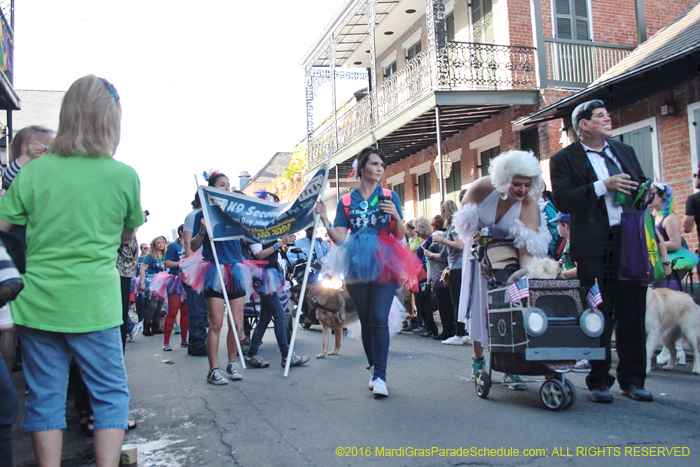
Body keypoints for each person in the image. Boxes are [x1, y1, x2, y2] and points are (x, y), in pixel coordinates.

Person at [0, 75, 143, 466]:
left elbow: (3, 224)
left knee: (44, 395)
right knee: (110, 393)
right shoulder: (123, 175)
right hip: (95, 303)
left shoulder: (34, 173)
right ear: (110, 120)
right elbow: (126, 233)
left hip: (39, 301)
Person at [549, 99, 672, 403]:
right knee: (598, 310)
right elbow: (563, 200)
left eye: (608, 114)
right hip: (594, 244)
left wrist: (644, 191)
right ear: (583, 126)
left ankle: (633, 380)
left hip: (629, 238)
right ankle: (599, 380)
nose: (607, 119)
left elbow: (641, 183)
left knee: (633, 311)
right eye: (599, 116)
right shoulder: (564, 159)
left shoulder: (623, 150)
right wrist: (603, 185)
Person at [315, 146, 422, 398]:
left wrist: (396, 215)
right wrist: (325, 220)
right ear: (362, 167)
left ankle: (381, 376)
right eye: (374, 164)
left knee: (378, 317)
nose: (379, 169)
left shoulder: (389, 196)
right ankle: (374, 369)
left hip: (386, 262)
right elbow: (340, 238)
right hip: (355, 265)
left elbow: (398, 235)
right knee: (365, 318)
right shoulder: (346, 201)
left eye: (382, 165)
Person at [454, 150, 550, 389]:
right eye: (517, 184)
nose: (522, 190)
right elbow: (464, 220)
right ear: (505, 179)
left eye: (528, 185)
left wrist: (524, 279)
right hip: (479, 257)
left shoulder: (529, 207)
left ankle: (510, 364)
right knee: (479, 308)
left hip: (508, 263)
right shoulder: (482, 188)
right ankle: (478, 360)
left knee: (510, 309)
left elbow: (526, 252)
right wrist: (475, 235)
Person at [182, 172, 255, 385]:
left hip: (236, 269)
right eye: (221, 185)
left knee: (236, 322)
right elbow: (193, 246)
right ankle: (213, 369)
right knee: (215, 322)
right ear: (212, 188)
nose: (226, 188)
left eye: (228, 185)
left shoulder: (235, 212)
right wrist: (203, 231)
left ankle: (232, 363)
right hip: (214, 270)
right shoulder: (201, 214)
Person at [247, 208, 309, 368]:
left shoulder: (269, 231)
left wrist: (283, 242)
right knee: (279, 315)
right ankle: (286, 356)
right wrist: (279, 243)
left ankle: (251, 354)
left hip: (272, 276)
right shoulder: (254, 232)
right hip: (263, 278)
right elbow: (259, 254)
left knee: (265, 319)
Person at [433, 201, 466, 346]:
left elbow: (460, 245)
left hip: (457, 267)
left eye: (442, 211)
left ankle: (459, 334)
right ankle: (464, 332)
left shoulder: (453, 226)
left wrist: (442, 240)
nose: (441, 214)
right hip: (458, 266)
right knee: (460, 302)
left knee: (457, 302)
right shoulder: (456, 226)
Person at [152, 225, 189, 351]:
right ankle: (166, 343)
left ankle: (184, 340)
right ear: (181, 232)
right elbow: (167, 262)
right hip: (175, 280)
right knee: (172, 311)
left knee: (186, 312)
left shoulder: (191, 244)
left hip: (188, 280)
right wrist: (181, 264)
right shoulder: (174, 246)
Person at [182, 192, 208, 356]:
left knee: (202, 308)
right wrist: (193, 267)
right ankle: (197, 343)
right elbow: (187, 242)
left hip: (205, 265)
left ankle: (197, 342)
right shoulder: (193, 216)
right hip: (195, 266)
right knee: (197, 307)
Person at [422, 215, 453, 340]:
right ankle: (448, 330)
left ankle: (448, 331)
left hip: (442, 273)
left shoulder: (440, 237)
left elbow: (444, 255)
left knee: (444, 303)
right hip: (438, 273)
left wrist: (430, 254)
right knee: (443, 303)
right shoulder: (440, 236)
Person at [1, 125, 55, 190]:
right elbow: (9, 179)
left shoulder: (50, 170)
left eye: (46, 148)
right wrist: (27, 155)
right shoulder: (19, 170)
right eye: (32, 145)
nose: (39, 150)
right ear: (17, 148)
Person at [411, 216, 438, 337]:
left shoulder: (430, 240)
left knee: (423, 301)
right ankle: (428, 327)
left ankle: (431, 328)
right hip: (419, 274)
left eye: (416, 227)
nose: (414, 230)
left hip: (425, 274)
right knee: (420, 301)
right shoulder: (423, 241)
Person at [138, 237, 167, 336]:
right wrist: (142, 282)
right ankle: (146, 327)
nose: (160, 244)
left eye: (162, 242)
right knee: (152, 305)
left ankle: (156, 326)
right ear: (154, 245)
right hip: (152, 282)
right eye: (158, 243)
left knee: (159, 305)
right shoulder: (150, 256)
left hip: (162, 282)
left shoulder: (164, 255)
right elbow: (142, 269)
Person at [554, 213, 577, 279]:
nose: (557, 228)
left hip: (574, 285)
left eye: (558, 224)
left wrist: (561, 274)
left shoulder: (574, 245)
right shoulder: (568, 243)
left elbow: (581, 269)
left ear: (565, 226)